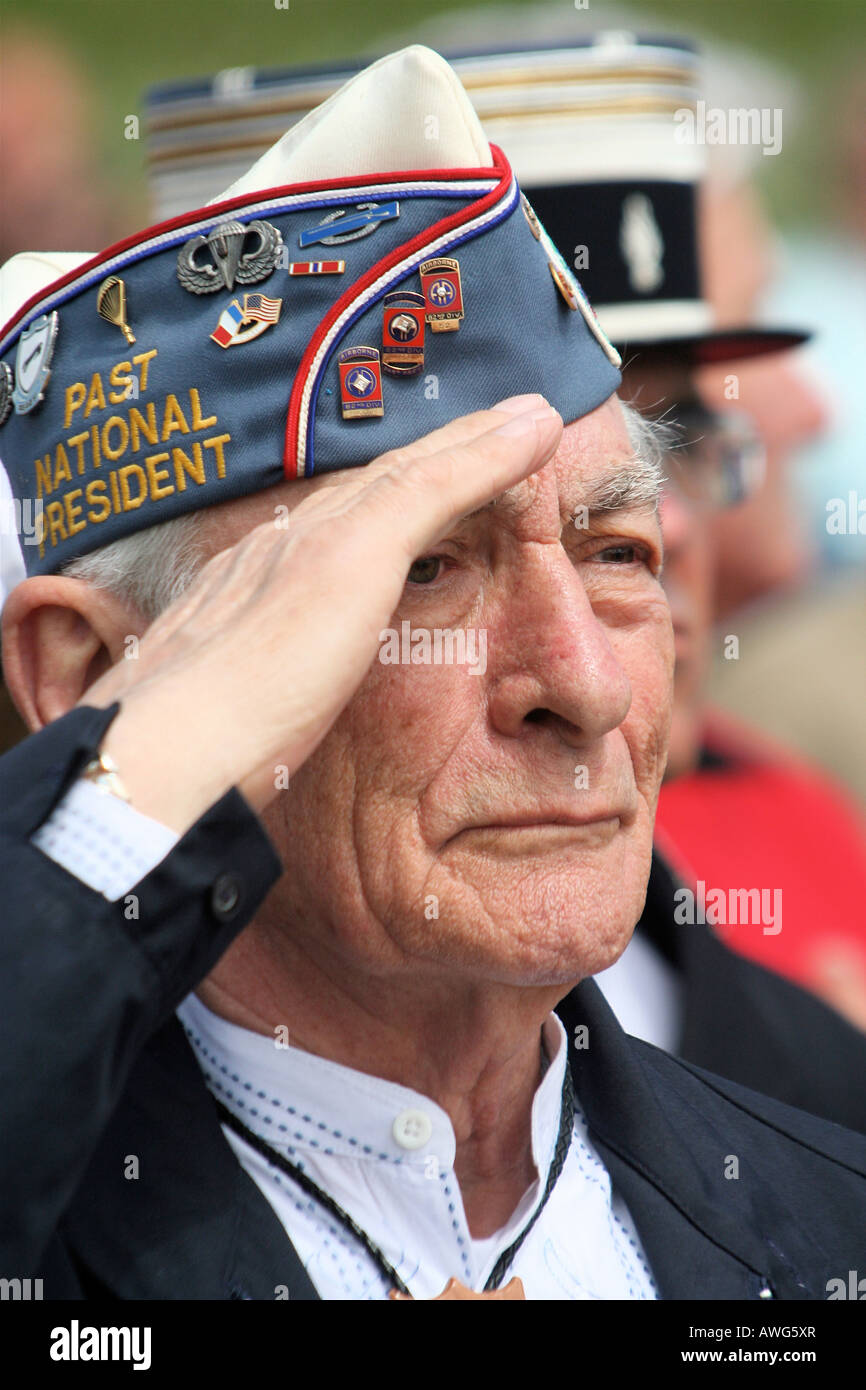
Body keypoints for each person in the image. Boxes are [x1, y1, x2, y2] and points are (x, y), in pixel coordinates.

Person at [1, 46, 865, 1303]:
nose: (586, 683)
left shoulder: (826, 1213)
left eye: (614, 552)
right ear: (89, 667)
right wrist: (129, 770)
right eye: (419, 570)